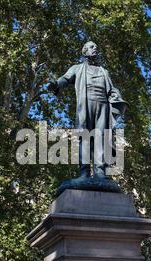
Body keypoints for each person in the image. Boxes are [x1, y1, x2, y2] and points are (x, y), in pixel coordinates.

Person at [48, 41, 127, 179]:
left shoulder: (104, 71)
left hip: (103, 106)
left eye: (96, 47)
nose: (95, 49)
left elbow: (111, 89)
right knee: (84, 137)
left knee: (101, 138)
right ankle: (84, 172)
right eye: (91, 47)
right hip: (85, 105)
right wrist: (55, 84)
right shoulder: (77, 68)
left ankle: (100, 171)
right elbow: (65, 79)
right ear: (84, 51)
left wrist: (116, 96)